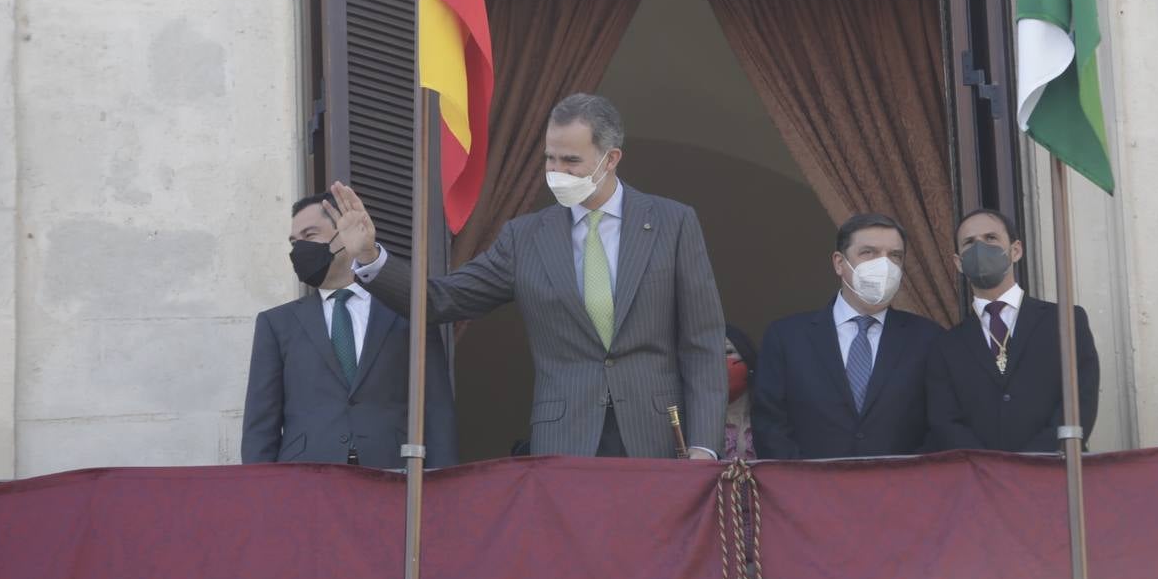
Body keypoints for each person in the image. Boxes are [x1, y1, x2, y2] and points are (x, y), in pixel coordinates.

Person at [333, 93, 727, 459]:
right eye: (549, 159)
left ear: (611, 158)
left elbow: (703, 343)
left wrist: (704, 446)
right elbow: (441, 300)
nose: (556, 171)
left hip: (658, 436)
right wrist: (370, 257)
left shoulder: (672, 224)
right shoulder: (524, 238)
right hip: (565, 441)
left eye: (570, 161)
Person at [241, 193, 458, 469]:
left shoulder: (407, 311)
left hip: (395, 476)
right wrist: (259, 496)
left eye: (309, 235)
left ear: (345, 235)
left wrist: (443, 486)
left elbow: (437, 411)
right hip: (306, 482)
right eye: (294, 243)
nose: (299, 250)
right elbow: (260, 426)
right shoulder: (276, 324)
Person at [751, 213, 942, 459]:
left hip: (900, 492)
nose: (884, 265)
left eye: (895, 256)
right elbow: (769, 424)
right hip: (808, 491)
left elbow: (939, 425)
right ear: (839, 263)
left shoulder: (927, 338)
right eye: (869, 253)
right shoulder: (787, 337)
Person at [925, 208, 1101, 452]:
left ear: (1015, 250)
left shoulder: (1066, 320)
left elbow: (1081, 400)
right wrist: (990, 469)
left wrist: (1031, 462)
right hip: (981, 480)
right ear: (958, 263)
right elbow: (946, 421)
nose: (980, 248)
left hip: (1054, 473)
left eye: (990, 238)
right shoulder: (946, 345)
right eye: (969, 243)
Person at [723, 324, 758, 462]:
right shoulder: (700, 425)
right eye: (714, 356)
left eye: (728, 352)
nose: (721, 362)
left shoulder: (771, 419)